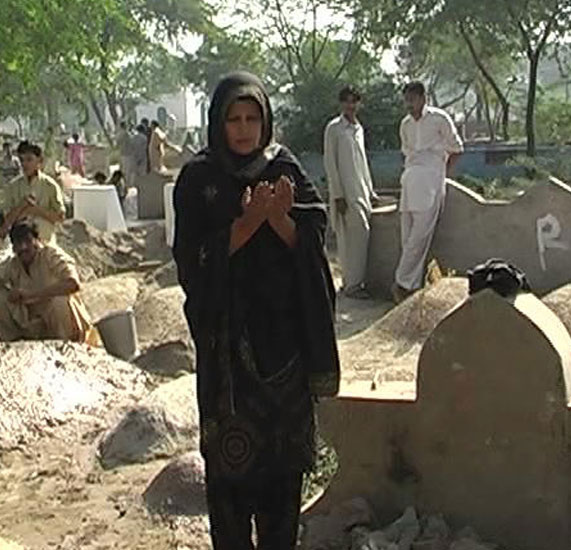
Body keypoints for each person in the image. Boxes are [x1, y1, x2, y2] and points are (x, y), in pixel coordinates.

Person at [173, 71, 339, 550]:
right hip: (227, 360)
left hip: (283, 355)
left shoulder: (284, 168)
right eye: (234, 119)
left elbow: (312, 242)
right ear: (217, 122)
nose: (244, 129)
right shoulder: (197, 178)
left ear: (265, 121)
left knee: (282, 486)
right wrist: (246, 224)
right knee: (229, 490)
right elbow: (191, 260)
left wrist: (280, 221)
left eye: (252, 118)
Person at [392, 81, 463, 302]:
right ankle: (411, 286)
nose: (409, 105)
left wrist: (441, 175)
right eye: (407, 100)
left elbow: (457, 149)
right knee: (408, 237)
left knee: (418, 237)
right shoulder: (405, 125)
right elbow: (407, 154)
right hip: (410, 180)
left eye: (413, 99)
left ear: (423, 98)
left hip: (431, 181)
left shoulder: (439, 119)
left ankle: (401, 283)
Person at [323, 86, 380, 299]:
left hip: (361, 189)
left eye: (354, 101)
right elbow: (330, 163)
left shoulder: (358, 129)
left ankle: (353, 282)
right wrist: (337, 195)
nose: (350, 105)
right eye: (347, 101)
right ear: (341, 104)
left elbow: (363, 162)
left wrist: (371, 191)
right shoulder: (334, 129)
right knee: (351, 236)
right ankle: (353, 285)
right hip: (345, 192)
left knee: (360, 235)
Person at [0, 220, 94, 342]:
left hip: (61, 321)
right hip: (35, 324)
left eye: (27, 241)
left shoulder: (51, 255)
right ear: (13, 247)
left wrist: (32, 295)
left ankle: (67, 343)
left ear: (36, 240)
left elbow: (73, 284)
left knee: (59, 301)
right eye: (19, 243)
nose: (23, 247)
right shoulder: (14, 264)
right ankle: (13, 343)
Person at [0, 141, 66, 244]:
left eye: (29, 160)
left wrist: (36, 211)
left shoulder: (50, 186)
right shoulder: (13, 186)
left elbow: (60, 217)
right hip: (20, 248)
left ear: (39, 161)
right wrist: (22, 206)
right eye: (22, 160)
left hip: (45, 244)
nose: (24, 164)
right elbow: (6, 221)